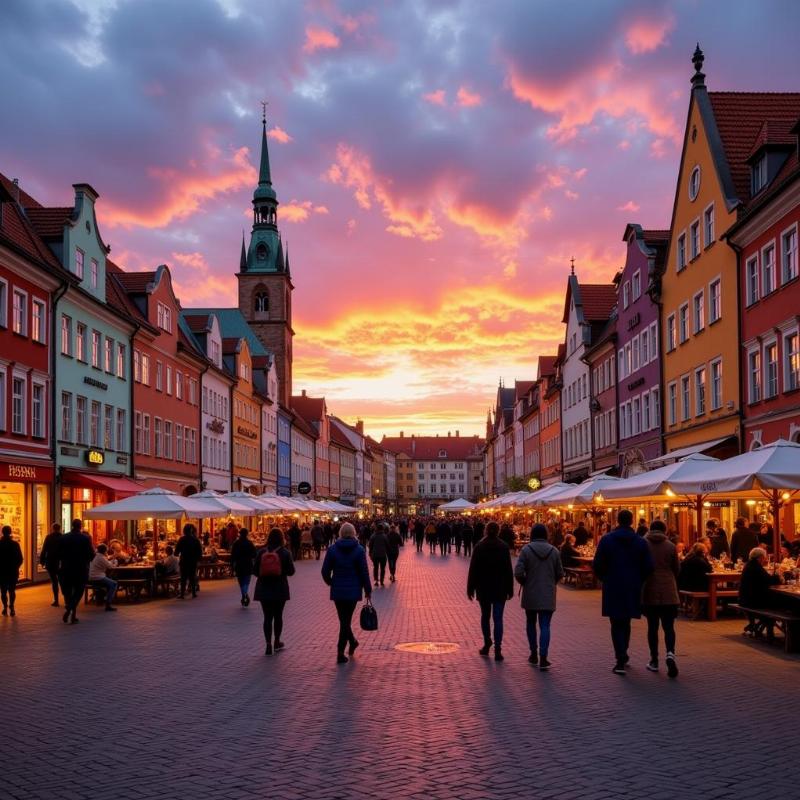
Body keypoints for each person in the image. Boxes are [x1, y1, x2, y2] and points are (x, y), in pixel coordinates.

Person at [592, 509, 654, 675]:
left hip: (613, 584)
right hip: (632, 585)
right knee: (626, 620)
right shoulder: (640, 542)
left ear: (618, 521)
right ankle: (623, 652)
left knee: (615, 622)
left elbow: (597, 564)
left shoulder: (606, 540)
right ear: (632, 521)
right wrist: (639, 579)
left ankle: (620, 656)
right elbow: (649, 566)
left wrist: (605, 577)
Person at [514, 523, 564, 670]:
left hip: (531, 592)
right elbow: (560, 573)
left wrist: (525, 582)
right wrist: (551, 582)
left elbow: (518, 572)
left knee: (530, 623)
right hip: (548, 593)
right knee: (545, 625)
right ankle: (544, 657)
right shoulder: (554, 551)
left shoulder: (526, 550)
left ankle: (533, 653)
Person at [321, 522, 372, 664]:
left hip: (338, 590)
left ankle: (349, 644)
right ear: (354, 533)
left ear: (341, 533)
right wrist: (367, 589)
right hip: (353, 590)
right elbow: (364, 572)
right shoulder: (359, 550)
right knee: (345, 621)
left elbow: (325, 571)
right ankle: (342, 650)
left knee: (344, 621)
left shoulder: (332, 550)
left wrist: (331, 582)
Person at [467, 521, 514, 662]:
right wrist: (510, 589)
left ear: (486, 531)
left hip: (484, 587)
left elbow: (473, 569)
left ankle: (487, 643)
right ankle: (498, 649)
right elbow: (508, 570)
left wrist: (470, 588)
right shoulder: (504, 547)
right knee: (498, 618)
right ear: (498, 531)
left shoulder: (480, 546)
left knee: (485, 616)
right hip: (500, 588)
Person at [641, 520, 680, 677]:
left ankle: (654, 660)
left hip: (650, 588)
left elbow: (640, 565)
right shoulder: (671, 546)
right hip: (669, 590)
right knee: (669, 626)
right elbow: (677, 568)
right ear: (664, 530)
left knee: (652, 627)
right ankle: (670, 653)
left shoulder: (643, 544)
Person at [253, 528, 296, 655]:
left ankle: (268, 644)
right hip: (280, 588)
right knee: (278, 616)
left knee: (267, 617)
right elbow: (291, 572)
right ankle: (277, 641)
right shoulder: (285, 553)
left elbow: (255, 571)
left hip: (263, 588)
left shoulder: (261, 552)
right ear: (282, 538)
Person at [56, 519, 95, 624]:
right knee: (78, 591)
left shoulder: (63, 538)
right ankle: (70, 610)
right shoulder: (85, 539)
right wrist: (87, 560)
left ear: (72, 525)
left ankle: (71, 612)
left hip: (66, 569)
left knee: (68, 592)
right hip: (80, 569)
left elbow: (58, 553)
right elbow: (91, 554)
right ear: (80, 526)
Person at [739, 547, 783, 638]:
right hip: (753, 601)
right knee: (783, 603)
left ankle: (755, 626)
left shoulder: (749, 565)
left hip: (745, 599)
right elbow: (769, 580)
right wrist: (779, 577)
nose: (766, 559)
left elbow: (765, 579)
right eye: (765, 557)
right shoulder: (756, 567)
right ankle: (776, 630)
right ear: (760, 557)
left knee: (778, 600)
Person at [0, 526, 23, 617]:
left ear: (2, 532)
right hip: (12, 571)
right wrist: (16, 567)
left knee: (3, 591)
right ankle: (12, 607)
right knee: (12, 590)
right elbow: (20, 559)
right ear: (10, 532)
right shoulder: (15, 544)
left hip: (1, 572)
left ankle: (5, 607)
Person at [88, 544, 119, 612]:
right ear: (104, 551)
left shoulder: (97, 556)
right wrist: (115, 561)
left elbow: (107, 561)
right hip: (97, 577)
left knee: (110, 584)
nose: (107, 551)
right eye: (106, 550)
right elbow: (110, 566)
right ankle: (108, 604)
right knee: (114, 584)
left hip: (93, 576)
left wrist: (112, 558)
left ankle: (104, 598)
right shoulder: (101, 558)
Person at [230, 528, 257, 606]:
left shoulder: (236, 543)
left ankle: (244, 595)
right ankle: (245, 594)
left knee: (241, 581)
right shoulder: (249, 543)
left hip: (239, 565)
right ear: (247, 534)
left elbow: (233, 555)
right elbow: (254, 554)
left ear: (240, 534)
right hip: (248, 564)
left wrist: (232, 565)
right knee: (246, 581)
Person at [175, 523, 203, 599]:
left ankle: (182, 594)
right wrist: (198, 560)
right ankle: (194, 593)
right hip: (193, 561)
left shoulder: (182, 539)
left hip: (184, 561)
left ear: (184, 531)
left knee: (183, 578)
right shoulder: (195, 540)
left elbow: (176, 551)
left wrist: (177, 554)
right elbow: (200, 551)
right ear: (191, 531)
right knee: (192, 576)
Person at [39, 522, 63, 607]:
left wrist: (42, 561)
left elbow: (44, 549)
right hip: (61, 562)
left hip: (51, 561)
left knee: (54, 581)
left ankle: (56, 600)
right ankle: (66, 597)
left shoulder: (49, 537)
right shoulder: (63, 537)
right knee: (62, 580)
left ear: (52, 528)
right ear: (60, 528)